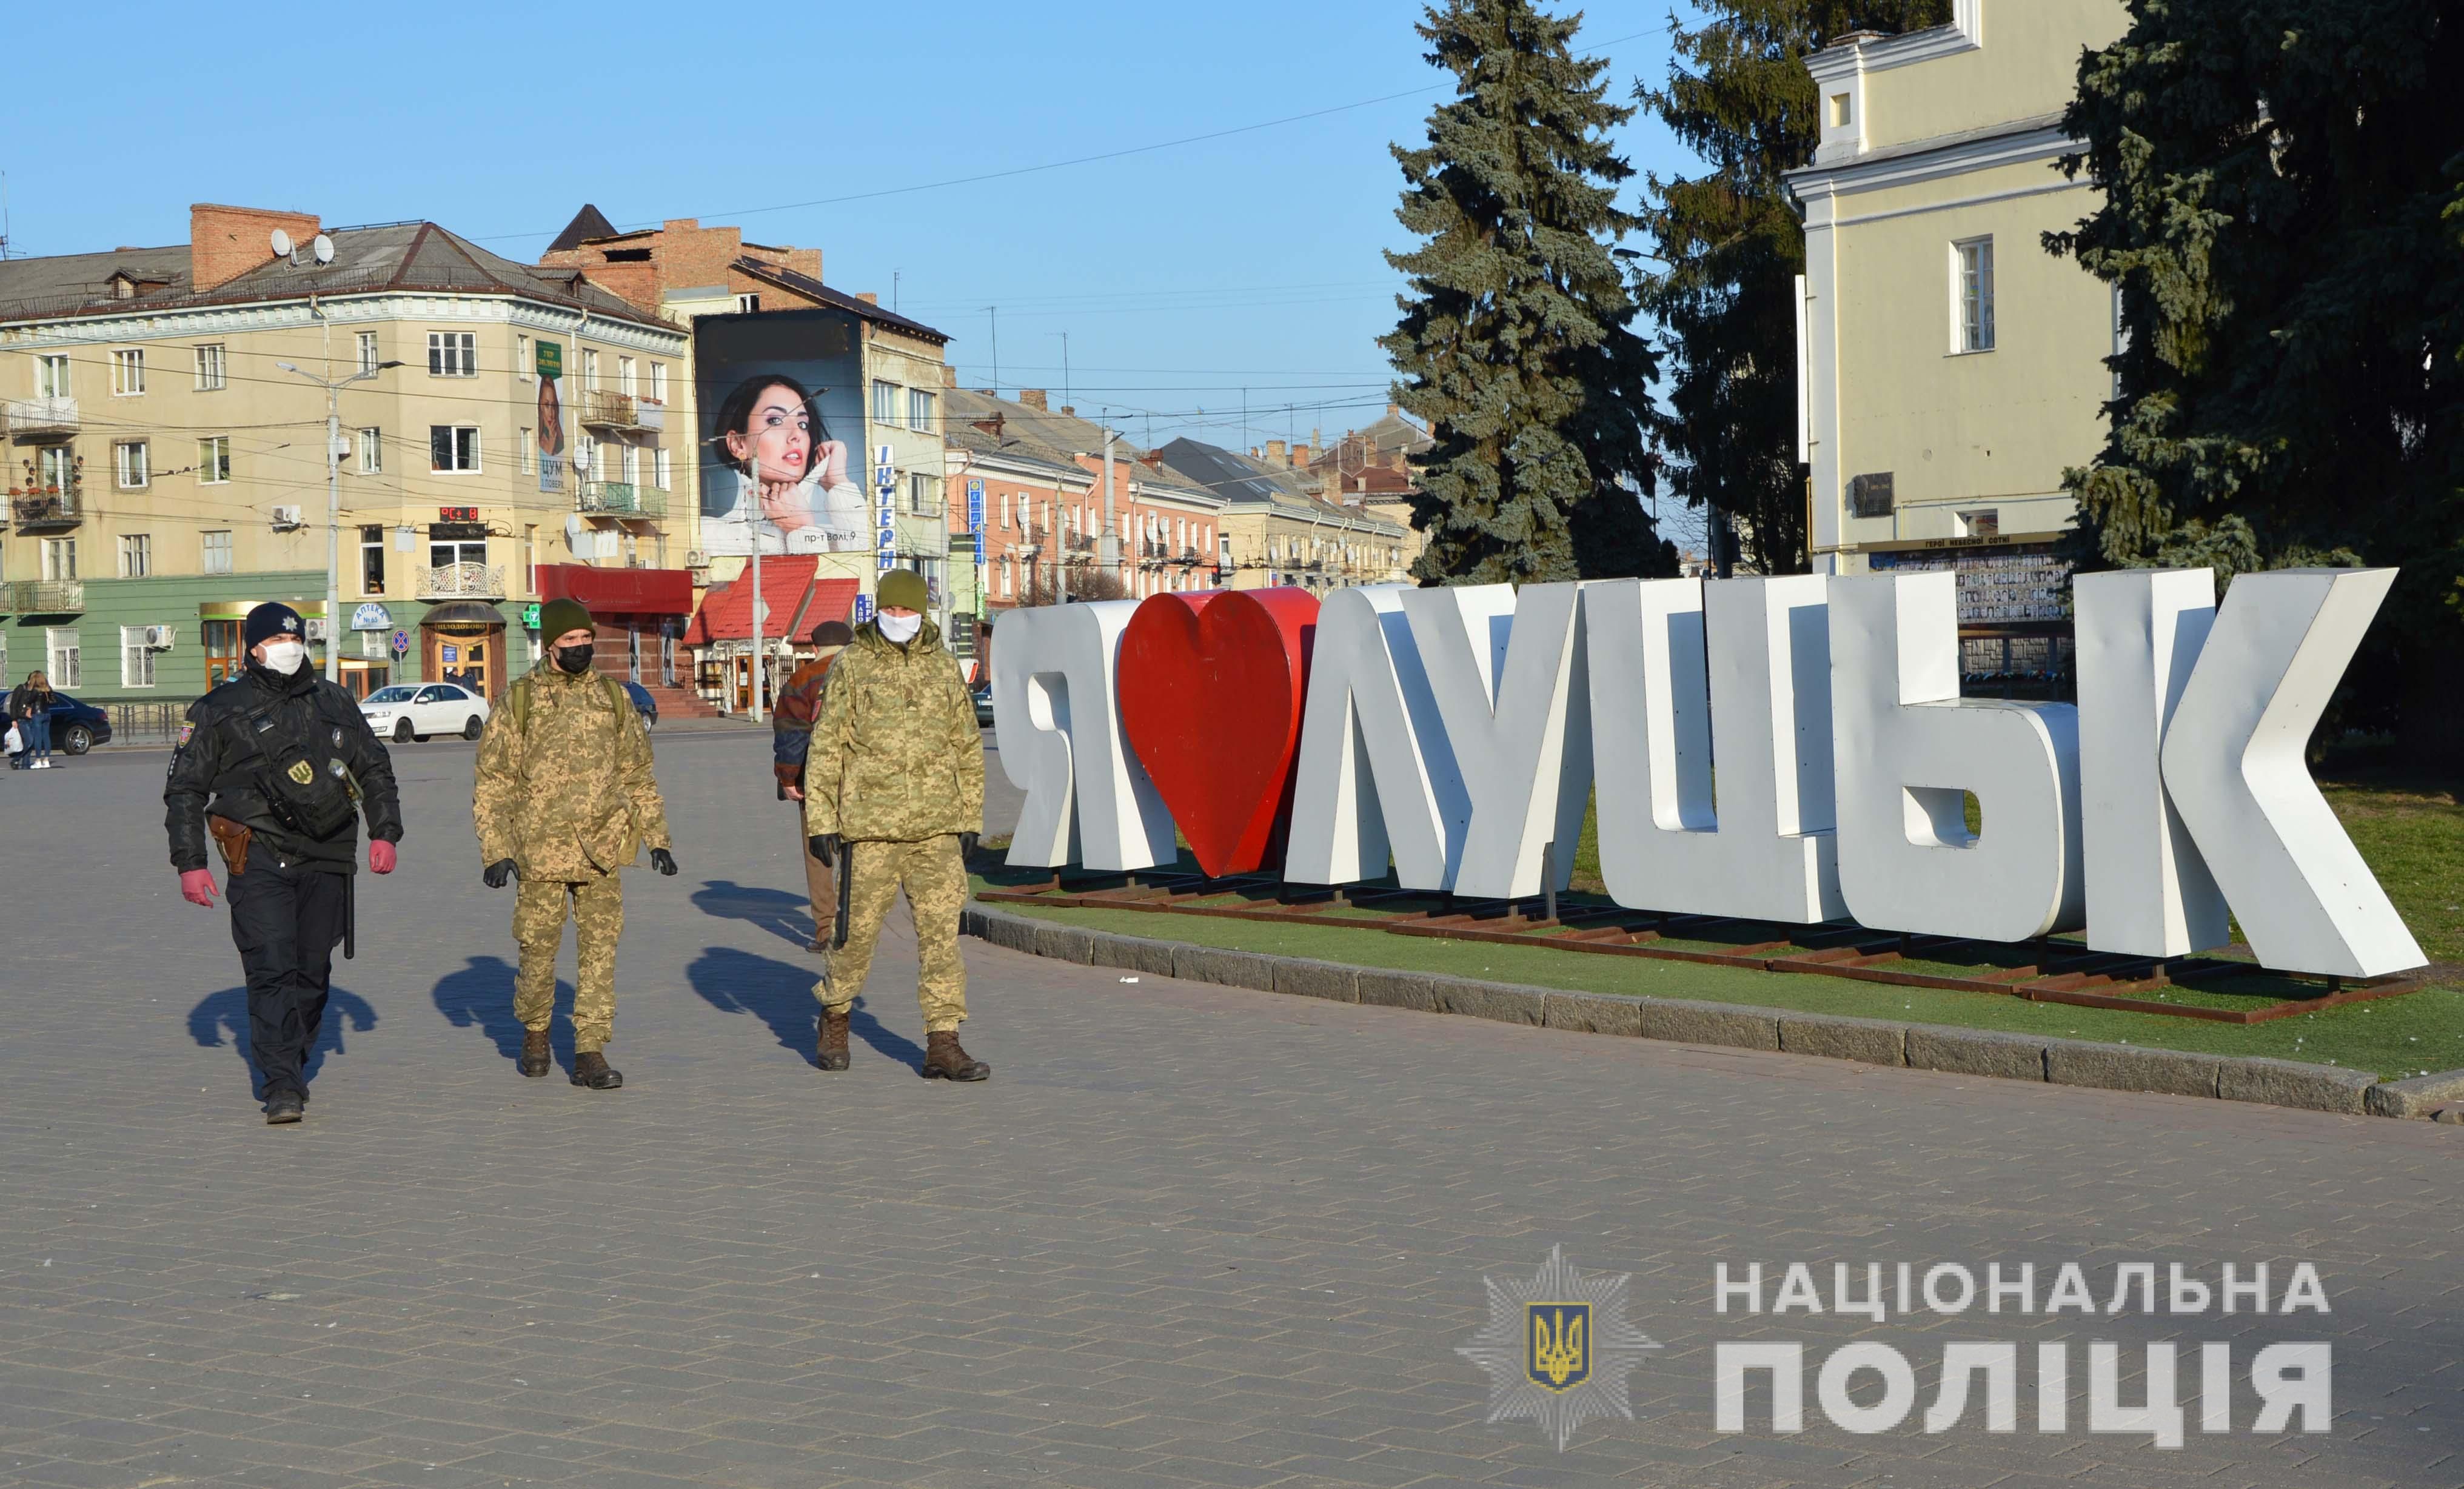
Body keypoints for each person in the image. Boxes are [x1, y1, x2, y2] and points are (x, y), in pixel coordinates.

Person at [164, 603, 403, 1123]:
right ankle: (281, 1084)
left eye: (294, 638)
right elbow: (184, 790)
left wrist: (386, 831)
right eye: (275, 639)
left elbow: (376, 767)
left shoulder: (335, 700)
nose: (288, 647)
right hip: (259, 857)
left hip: (329, 857)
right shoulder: (219, 708)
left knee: (312, 971)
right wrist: (191, 863)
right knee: (270, 967)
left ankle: (291, 1059)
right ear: (254, 649)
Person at [472, 598, 676, 1090]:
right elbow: (493, 780)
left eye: (588, 640)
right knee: (537, 953)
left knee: (600, 955)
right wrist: (495, 848)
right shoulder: (520, 699)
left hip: (603, 849)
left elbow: (637, 773)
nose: (583, 649)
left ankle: (591, 1049)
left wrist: (658, 840)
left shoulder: (613, 697)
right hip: (539, 852)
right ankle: (537, 1032)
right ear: (552, 645)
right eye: (572, 642)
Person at [803, 569, 988, 1079]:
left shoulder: (944, 667)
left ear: (922, 614)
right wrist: (822, 819)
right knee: (855, 937)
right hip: (872, 829)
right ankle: (836, 1015)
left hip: (936, 828)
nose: (900, 619)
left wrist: (969, 815)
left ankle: (943, 1042)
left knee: (941, 938)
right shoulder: (853, 665)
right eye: (892, 610)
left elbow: (967, 744)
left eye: (908, 611)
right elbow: (827, 746)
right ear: (878, 610)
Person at [708, 375, 865, 555]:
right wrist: (802, 530)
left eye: (803, 424)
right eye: (775, 421)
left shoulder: (833, 540)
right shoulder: (709, 537)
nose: (796, 434)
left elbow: (874, 568)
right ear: (737, 444)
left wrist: (837, 483)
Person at [774, 620, 854, 954]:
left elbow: (792, 734)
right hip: (862, 783)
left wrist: (788, 779)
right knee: (859, 853)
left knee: (818, 856)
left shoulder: (802, 678)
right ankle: (857, 928)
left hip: (815, 782)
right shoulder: (863, 674)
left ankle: (826, 931)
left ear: (814, 647)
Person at [11, 671, 56, 769]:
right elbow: (14, 704)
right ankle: (43, 760)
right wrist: (14, 719)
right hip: (28, 717)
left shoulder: (35, 690)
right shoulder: (23, 688)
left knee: (36, 739)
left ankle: (33, 762)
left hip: (36, 716)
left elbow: (29, 701)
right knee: (34, 739)